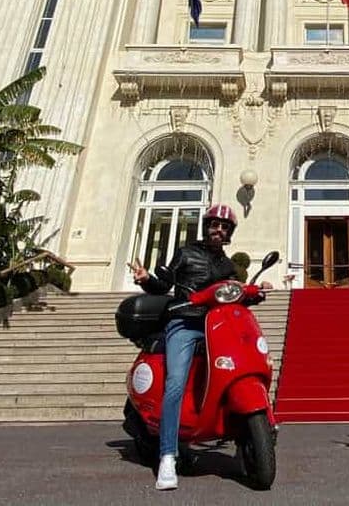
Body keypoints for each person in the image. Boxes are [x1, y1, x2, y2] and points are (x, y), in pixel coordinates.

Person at [130, 204, 270, 490]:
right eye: (214, 225)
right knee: (176, 383)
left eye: (224, 227)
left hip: (217, 327)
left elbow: (234, 295)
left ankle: (244, 432)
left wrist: (258, 292)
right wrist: (147, 280)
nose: (218, 229)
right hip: (185, 322)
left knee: (238, 367)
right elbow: (163, 284)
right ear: (206, 227)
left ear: (229, 233)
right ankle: (168, 455)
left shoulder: (228, 266)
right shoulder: (186, 253)